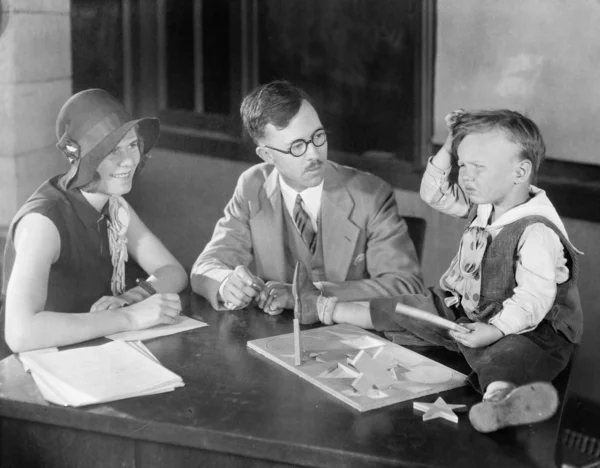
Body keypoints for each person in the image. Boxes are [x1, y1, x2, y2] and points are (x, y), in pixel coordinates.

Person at [292, 109, 583, 433]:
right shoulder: (487, 203)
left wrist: (496, 330)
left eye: (478, 167)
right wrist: (451, 142)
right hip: (471, 307)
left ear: (520, 172)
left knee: (508, 356)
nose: (465, 176)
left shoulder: (537, 231)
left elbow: (533, 298)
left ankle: (500, 403)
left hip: (528, 326)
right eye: (462, 164)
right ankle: (320, 307)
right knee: (406, 307)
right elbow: (434, 192)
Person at [191, 80, 424, 314]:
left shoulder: (370, 194)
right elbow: (207, 266)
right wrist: (226, 283)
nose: (314, 154)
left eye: (319, 136)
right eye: (297, 147)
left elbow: (406, 286)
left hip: (354, 333)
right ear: (267, 156)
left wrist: (312, 293)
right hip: (278, 336)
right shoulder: (253, 186)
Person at [1, 89, 188, 355]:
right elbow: (20, 334)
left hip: (95, 354)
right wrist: (131, 317)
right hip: (39, 370)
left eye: (132, 145)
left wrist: (132, 298)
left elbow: (172, 271)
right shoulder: (42, 222)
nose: (127, 161)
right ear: (78, 158)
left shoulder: (113, 203)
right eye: (111, 150)